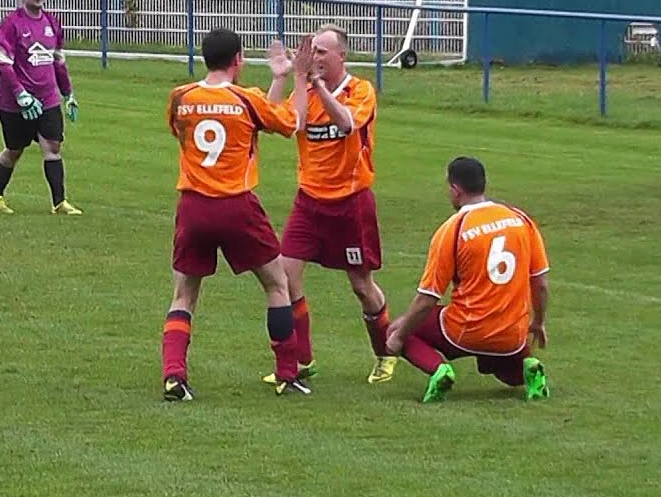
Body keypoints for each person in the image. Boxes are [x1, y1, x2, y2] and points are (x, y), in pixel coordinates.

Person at [160, 28, 312, 400]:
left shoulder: (180, 98)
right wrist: (299, 77)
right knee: (277, 285)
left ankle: (174, 376)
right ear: (239, 60)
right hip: (237, 205)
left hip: (193, 206)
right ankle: (287, 373)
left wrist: (275, 80)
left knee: (184, 294)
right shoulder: (245, 100)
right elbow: (291, 122)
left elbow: (192, 130)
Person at [261, 25, 398, 386]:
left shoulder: (361, 90)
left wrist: (317, 85)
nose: (315, 57)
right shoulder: (304, 90)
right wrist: (282, 78)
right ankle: (302, 359)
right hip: (309, 200)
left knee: (361, 285)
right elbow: (276, 117)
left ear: (342, 56)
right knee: (285, 274)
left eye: (322, 52)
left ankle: (385, 353)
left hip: (350, 202)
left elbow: (347, 123)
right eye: (312, 50)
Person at [385, 156, 551, 403]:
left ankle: (439, 370)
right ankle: (528, 367)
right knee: (504, 369)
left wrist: (397, 336)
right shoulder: (520, 219)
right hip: (511, 336)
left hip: (464, 331)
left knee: (400, 329)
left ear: (455, 189)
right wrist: (538, 322)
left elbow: (427, 300)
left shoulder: (453, 229)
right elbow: (541, 284)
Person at [0, 0, 82, 215]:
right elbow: (2, 62)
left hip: (48, 99)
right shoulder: (11, 25)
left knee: (53, 147)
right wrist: (20, 94)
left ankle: (59, 202)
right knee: (14, 151)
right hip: (14, 104)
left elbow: (58, 60)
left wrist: (68, 93)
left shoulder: (52, 23)